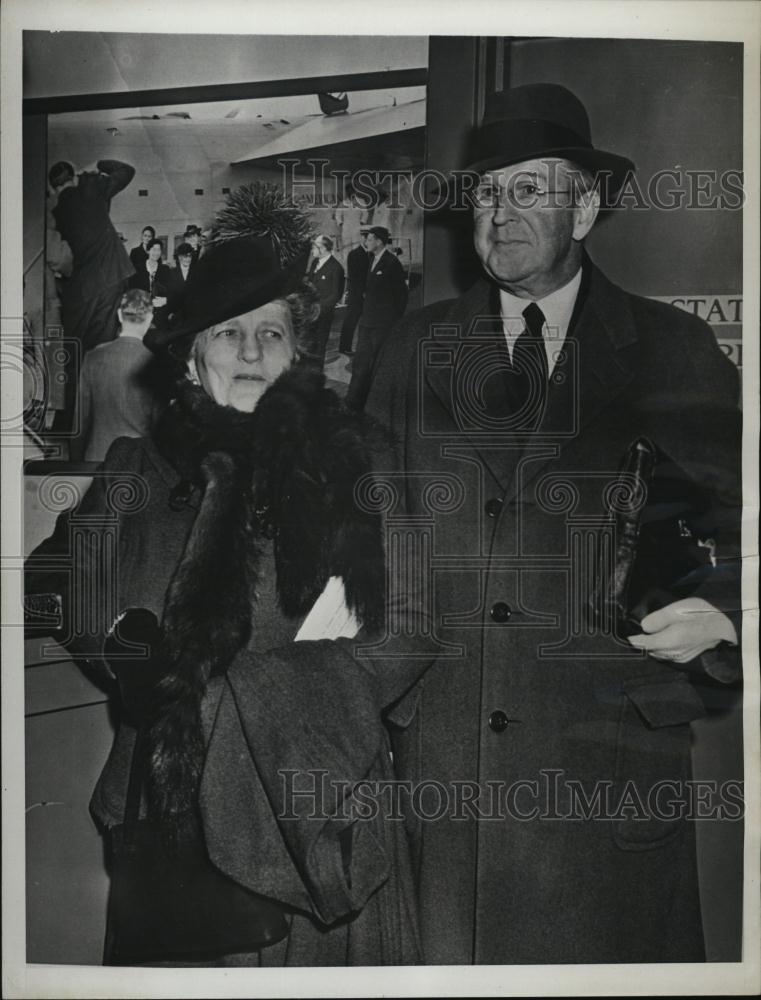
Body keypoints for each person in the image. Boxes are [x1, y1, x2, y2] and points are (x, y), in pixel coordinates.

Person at [365, 83, 742, 964]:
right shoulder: (414, 348)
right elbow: (363, 527)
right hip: (442, 770)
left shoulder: (670, 349)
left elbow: (743, 523)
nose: (498, 214)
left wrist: (726, 614)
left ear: (589, 204)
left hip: (601, 768)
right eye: (486, 193)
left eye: (528, 189)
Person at [26, 182, 428, 967]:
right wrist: (125, 648)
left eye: (270, 334)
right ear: (188, 356)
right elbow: (59, 581)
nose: (250, 353)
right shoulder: (135, 467)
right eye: (227, 334)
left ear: (296, 351)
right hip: (167, 834)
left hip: (310, 819)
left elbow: (409, 630)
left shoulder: (360, 463)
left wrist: (246, 696)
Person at [48, 158, 136, 428]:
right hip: (111, 278)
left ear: (53, 188)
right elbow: (126, 171)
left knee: (74, 356)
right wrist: (100, 166)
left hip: (80, 292)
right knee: (104, 350)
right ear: (73, 177)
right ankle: (102, 418)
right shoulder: (90, 188)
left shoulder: (57, 211)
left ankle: (66, 420)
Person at [68, 289, 167, 463]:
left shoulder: (92, 358)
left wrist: (75, 464)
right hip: (138, 466)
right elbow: (160, 429)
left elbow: (80, 420)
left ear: (120, 315)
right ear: (150, 319)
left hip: (96, 462)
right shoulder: (157, 366)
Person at [345, 226, 408, 409]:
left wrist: (394, 321)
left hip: (383, 323)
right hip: (367, 321)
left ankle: (375, 404)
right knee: (360, 363)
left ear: (380, 241)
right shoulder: (371, 259)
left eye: (370, 239)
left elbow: (401, 295)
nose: (367, 242)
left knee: (378, 364)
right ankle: (352, 401)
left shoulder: (391, 263)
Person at [305, 234, 345, 366]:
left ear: (323, 249)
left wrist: (318, 309)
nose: (312, 250)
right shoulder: (315, 262)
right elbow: (310, 283)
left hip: (323, 316)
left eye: (314, 247)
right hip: (308, 314)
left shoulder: (336, 268)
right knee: (306, 347)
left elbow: (336, 295)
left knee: (318, 349)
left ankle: (315, 378)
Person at [338, 229, 370, 356]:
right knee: (351, 321)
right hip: (357, 294)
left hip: (368, 295)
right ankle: (344, 347)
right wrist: (362, 292)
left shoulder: (372, 254)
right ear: (363, 239)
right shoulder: (354, 254)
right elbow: (355, 277)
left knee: (367, 323)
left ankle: (364, 348)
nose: (369, 242)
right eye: (367, 239)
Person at [128, 238, 172, 330]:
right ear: (148, 251)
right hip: (141, 314)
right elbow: (132, 293)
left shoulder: (165, 270)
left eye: (159, 250)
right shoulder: (137, 269)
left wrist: (166, 299)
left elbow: (170, 291)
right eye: (154, 249)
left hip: (159, 314)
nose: (156, 253)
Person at [164, 241, 195, 324]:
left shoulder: (195, 272)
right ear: (179, 257)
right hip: (176, 315)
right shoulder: (172, 273)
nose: (188, 259)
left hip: (192, 314)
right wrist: (169, 313)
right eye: (185, 256)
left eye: (190, 256)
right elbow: (170, 295)